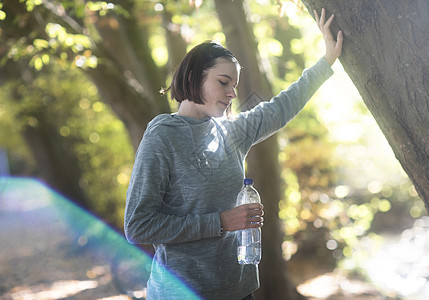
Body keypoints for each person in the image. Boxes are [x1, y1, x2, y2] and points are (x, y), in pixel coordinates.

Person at [124, 8, 343, 300]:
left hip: (239, 291)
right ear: (193, 76)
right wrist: (221, 222)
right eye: (223, 82)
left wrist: (327, 60)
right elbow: (138, 226)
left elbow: (281, 107)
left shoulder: (232, 131)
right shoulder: (163, 136)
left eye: (235, 86)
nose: (231, 93)